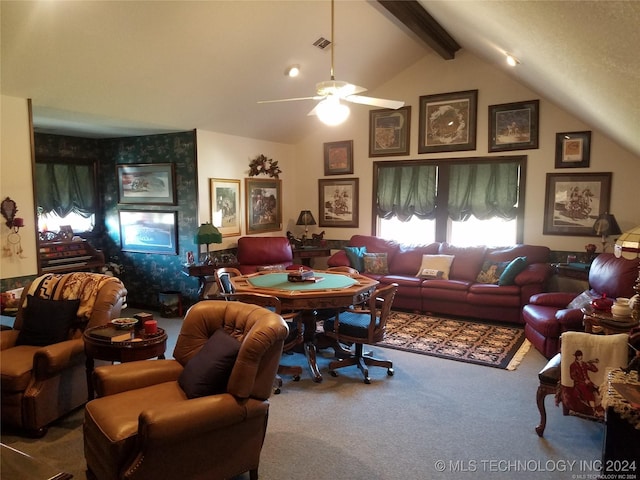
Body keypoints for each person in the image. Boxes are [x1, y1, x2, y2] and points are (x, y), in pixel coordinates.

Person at [569, 349, 602, 416]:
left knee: (598, 389)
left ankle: (599, 409)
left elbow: (595, 370)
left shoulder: (584, 363)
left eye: (581, 355)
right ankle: (593, 410)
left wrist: (590, 364)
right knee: (588, 393)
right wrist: (584, 381)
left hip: (588, 382)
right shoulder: (573, 365)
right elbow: (573, 377)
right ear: (576, 357)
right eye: (578, 356)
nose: (580, 357)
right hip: (579, 384)